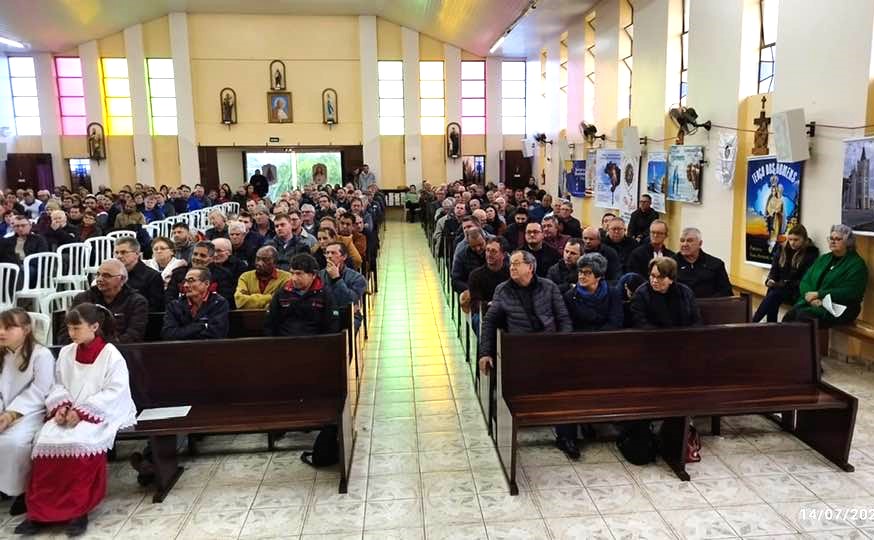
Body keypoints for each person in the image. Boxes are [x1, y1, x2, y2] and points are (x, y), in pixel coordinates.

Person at [17, 304, 136, 537]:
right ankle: (40, 513)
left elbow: (115, 391)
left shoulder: (111, 355)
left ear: (94, 326)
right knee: (44, 441)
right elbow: (58, 384)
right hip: (68, 412)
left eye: (77, 328)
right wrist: (61, 407)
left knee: (81, 445)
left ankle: (77, 511)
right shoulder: (66, 352)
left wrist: (81, 412)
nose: (71, 334)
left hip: (99, 414)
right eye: (69, 328)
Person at [478, 250, 574, 457]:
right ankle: (509, 430)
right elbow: (489, 321)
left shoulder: (548, 287)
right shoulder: (502, 290)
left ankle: (566, 436)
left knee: (564, 387)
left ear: (530, 267)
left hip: (549, 346)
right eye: (511, 264)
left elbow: (563, 318)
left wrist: (564, 345)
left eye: (516, 264)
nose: (511, 267)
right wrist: (485, 352)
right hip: (519, 349)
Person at [0, 309, 54, 516]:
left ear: (26, 329)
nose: (2, 332)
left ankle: (22, 491)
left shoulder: (41, 355)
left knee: (14, 442)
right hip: (4, 410)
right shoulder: (2, 353)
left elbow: (41, 390)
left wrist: (11, 414)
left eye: (8, 327)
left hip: (30, 412)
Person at [784, 224, 869, 327]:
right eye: (831, 238)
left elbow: (851, 292)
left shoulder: (857, 264)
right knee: (789, 316)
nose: (833, 241)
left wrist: (820, 294)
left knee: (801, 318)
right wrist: (811, 298)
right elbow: (805, 281)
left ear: (848, 242)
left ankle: (805, 343)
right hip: (813, 303)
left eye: (838, 239)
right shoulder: (824, 258)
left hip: (840, 308)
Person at [60, 260, 148, 344]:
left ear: (122, 279)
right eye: (98, 274)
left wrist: (103, 349)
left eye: (106, 276)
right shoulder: (83, 298)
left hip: (120, 352)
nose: (99, 279)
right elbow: (65, 332)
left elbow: (134, 335)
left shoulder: (137, 302)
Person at [753, 225, 819, 322]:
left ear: (804, 239)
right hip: (780, 287)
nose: (792, 243)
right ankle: (768, 325)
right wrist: (770, 280)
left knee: (773, 294)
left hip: (795, 290)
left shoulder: (810, 253)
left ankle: (754, 322)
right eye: (790, 239)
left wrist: (783, 283)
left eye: (796, 240)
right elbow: (774, 269)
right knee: (772, 293)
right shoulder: (782, 249)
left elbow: (804, 279)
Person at [265, 253, 340, 336]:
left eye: (299, 274)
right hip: (285, 343)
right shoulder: (282, 293)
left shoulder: (324, 294)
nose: (294, 278)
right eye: (292, 273)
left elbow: (332, 324)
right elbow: (270, 322)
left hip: (315, 342)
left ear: (313, 275)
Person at [630, 257, 702, 328]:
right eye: (652, 275)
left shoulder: (685, 292)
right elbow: (640, 322)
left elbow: (696, 320)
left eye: (660, 277)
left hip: (683, 336)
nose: (654, 281)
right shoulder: (641, 294)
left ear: (671, 279)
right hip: (652, 337)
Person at [162, 268, 230, 340]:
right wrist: (201, 326)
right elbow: (168, 334)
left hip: (209, 349)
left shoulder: (219, 303)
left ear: (206, 283)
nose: (185, 285)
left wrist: (183, 331)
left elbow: (217, 333)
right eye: (185, 281)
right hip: (181, 349)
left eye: (191, 281)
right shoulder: (174, 305)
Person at [165, 241, 236, 307]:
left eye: (203, 256)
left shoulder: (223, 275)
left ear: (211, 258)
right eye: (195, 254)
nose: (197, 258)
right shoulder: (178, 273)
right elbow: (169, 298)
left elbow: (225, 300)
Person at [564, 253, 623, 331]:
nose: (581, 276)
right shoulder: (570, 296)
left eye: (587, 273)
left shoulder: (612, 293)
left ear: (598, 276)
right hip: (580, 339)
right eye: (580, 272)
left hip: (607, 338)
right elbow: (570, 324)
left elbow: (616, 321)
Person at [467, 238, 510, 335]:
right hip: (484, 312)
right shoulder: (476, 275)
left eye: (494, 251)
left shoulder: (510, 274)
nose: (489, 254)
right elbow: (475, 303)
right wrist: (490, 305)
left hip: (506, 310)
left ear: (503, 255)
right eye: (487, 250)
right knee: (479, 321)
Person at [673, 227, 733, 298]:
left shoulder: (716, 264)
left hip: (709, 306)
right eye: (682, 241)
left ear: (700, 243)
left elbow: (726, 291)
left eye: (689, 241)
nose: (685, 244)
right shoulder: (671, 263)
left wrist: (709, 303)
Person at [320, 242, 367, 329]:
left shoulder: (357, 278)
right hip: (326, 314)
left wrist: (337, 279)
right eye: (327, 253)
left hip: (349, 315)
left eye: (333, 253)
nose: (329, 256)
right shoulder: (319, 275)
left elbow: (350, 300)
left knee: (348, 325)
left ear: (344, 257)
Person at [114, 237, 165, 312]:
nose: (119, 256)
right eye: (116, 252)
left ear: (137, 254)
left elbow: (155, 309)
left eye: (123, 252)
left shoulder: (152, 276)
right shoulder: (113, 274)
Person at [235, 246, 290, 310]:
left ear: (275, 262)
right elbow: (239, 301)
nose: (259, 263)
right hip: (248, 318)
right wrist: (270, 297)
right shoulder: (245, 277)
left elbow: (282, 301)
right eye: (257, 259)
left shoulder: (286, 277)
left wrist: (250, 300)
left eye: (265, 260)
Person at [451, 228, 487, 293]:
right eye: (473, 246)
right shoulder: (462, 255)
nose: (478, 249)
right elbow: (455, 281)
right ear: (468, 243)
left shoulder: (493, 251)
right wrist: (471, 289)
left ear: (485, 239)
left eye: (480, 244)